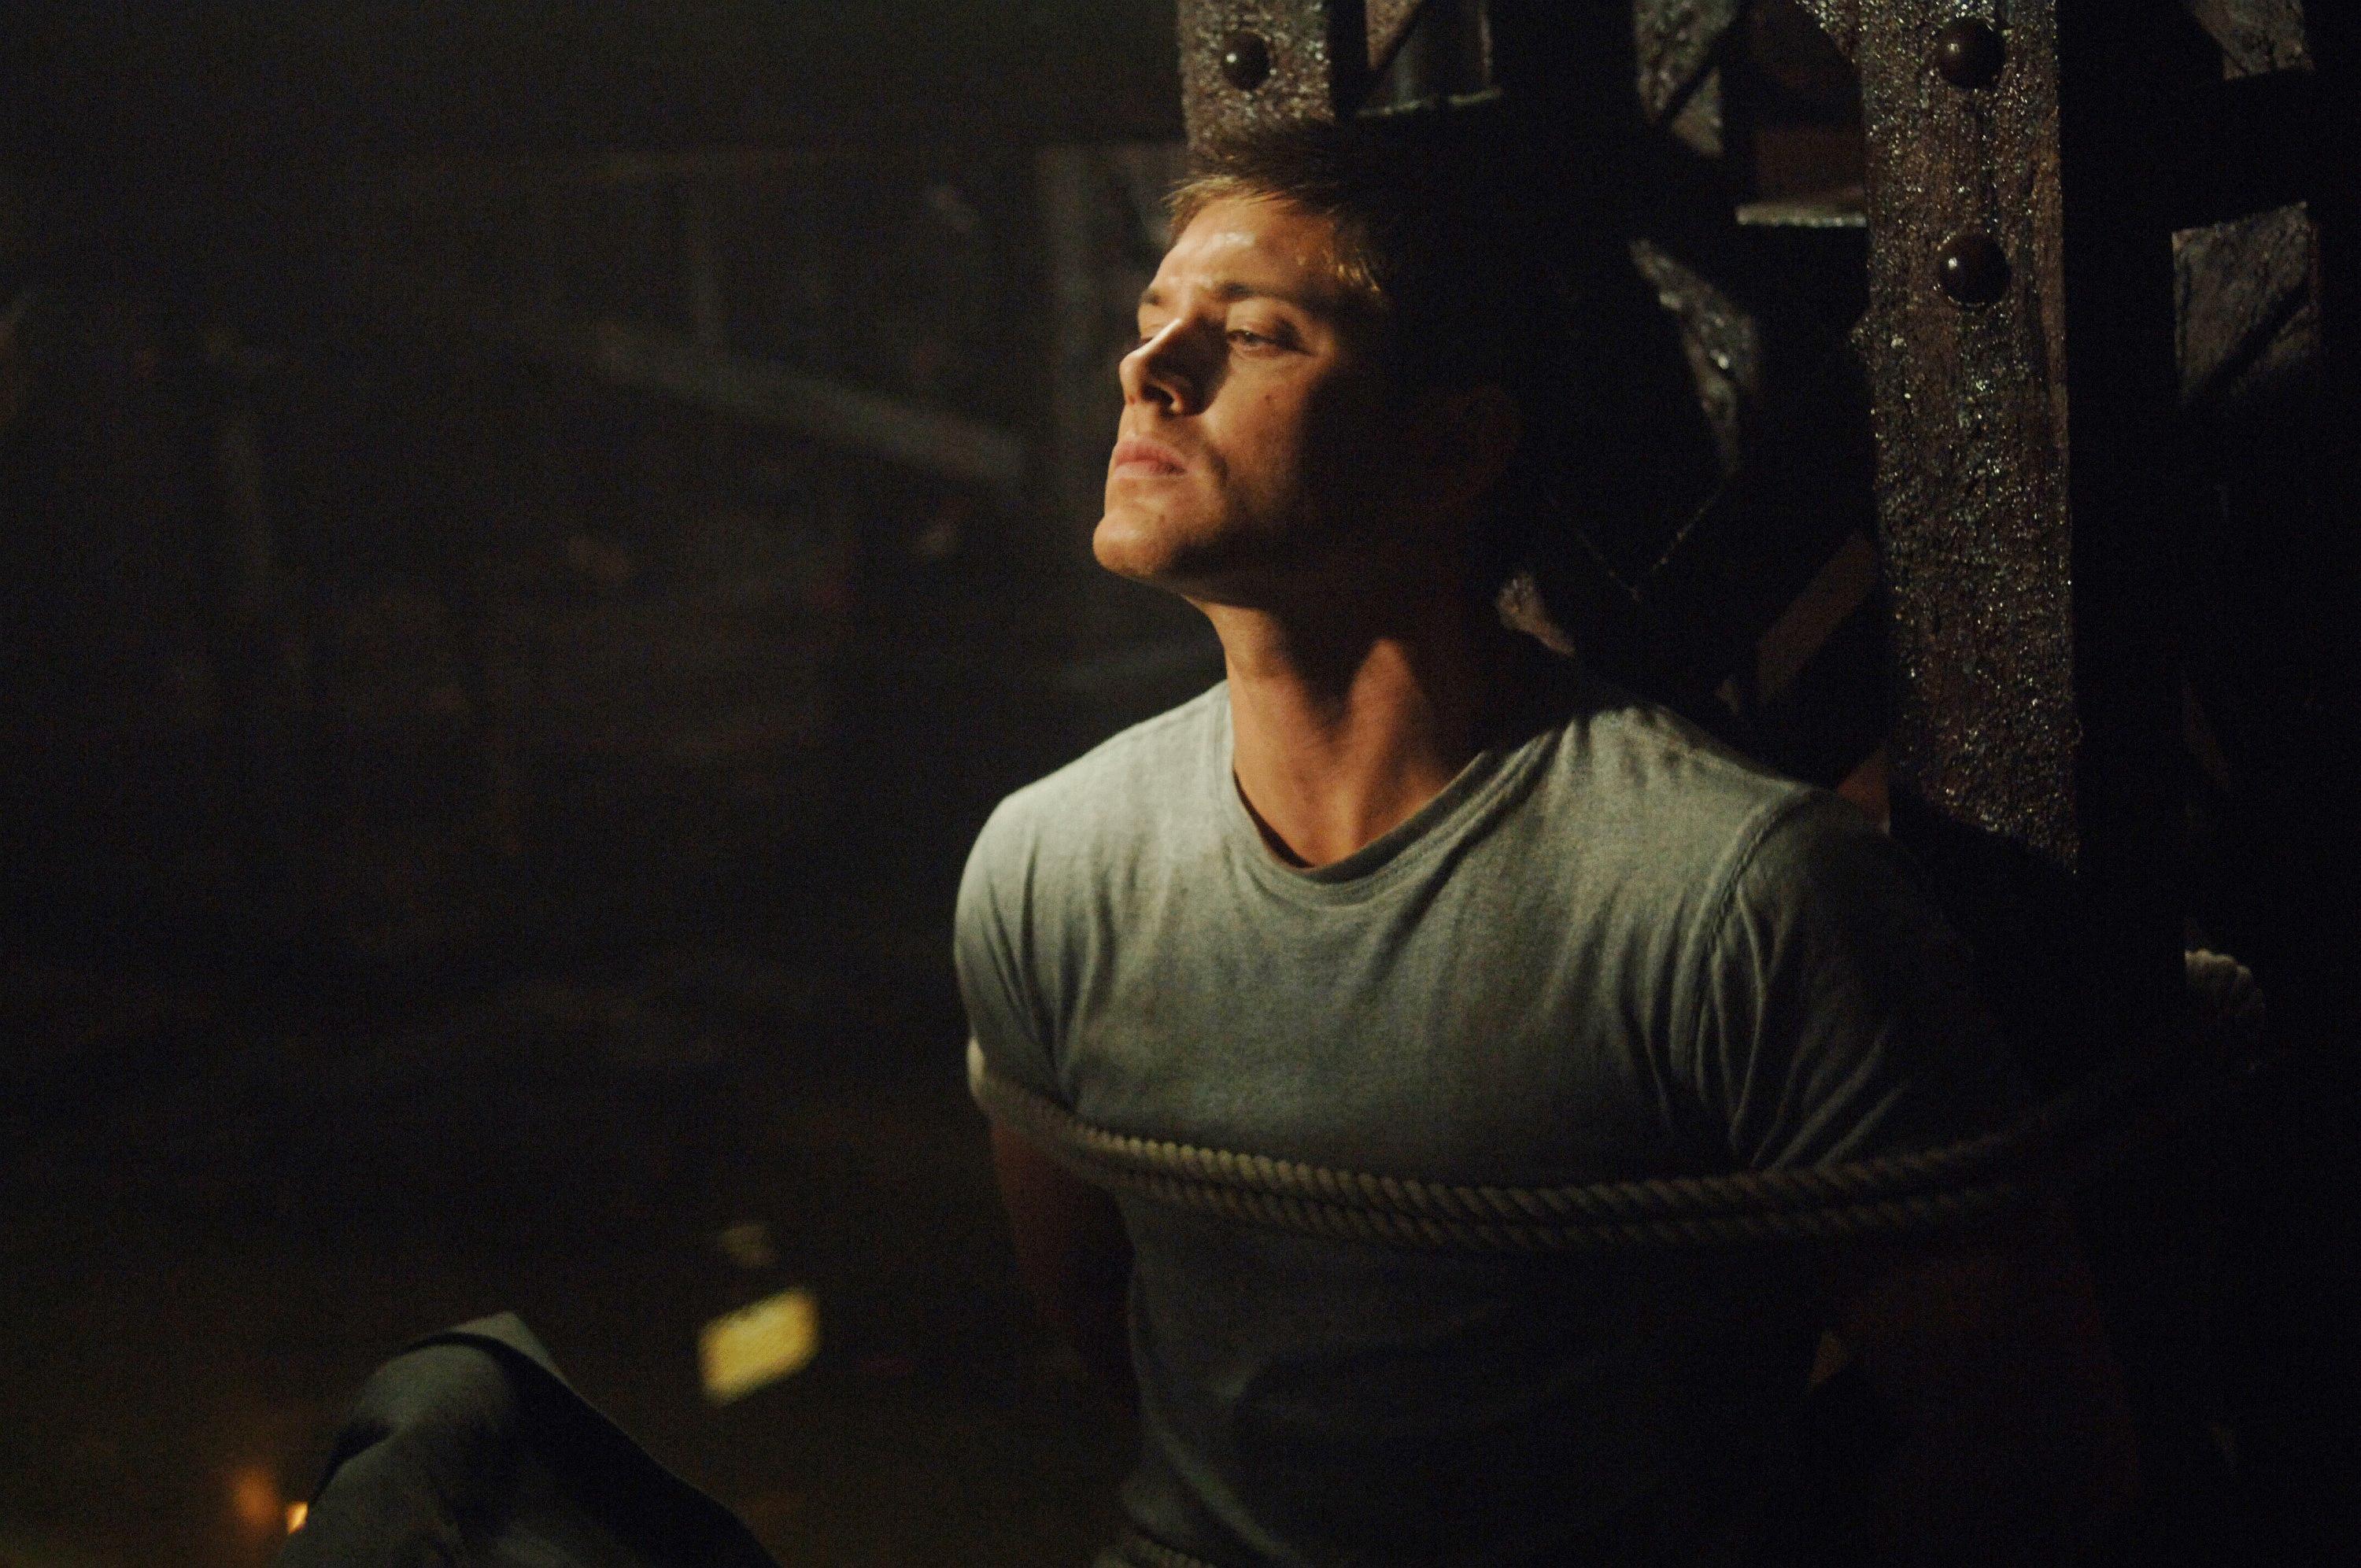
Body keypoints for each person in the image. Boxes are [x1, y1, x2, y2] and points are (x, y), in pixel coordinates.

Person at [955, 118, 2134, 1567]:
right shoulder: (1049, 863)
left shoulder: (1733, 898)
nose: (1151, 366)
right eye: (1156, 317)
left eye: (1253, 334)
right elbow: (1103, 1321)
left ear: (1452, 446)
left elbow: (2029, 1444)